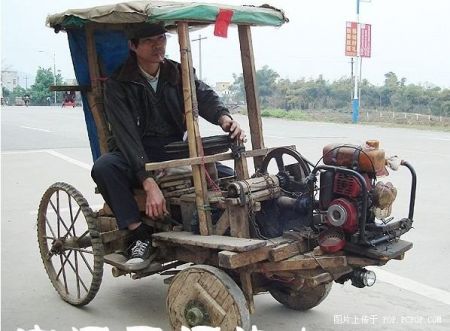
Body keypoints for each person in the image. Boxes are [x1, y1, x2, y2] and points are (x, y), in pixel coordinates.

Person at [91, 23, 245, 270]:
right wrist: (147, 180)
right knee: (104, 167)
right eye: (150, 40)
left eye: (161, 38)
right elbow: (126, 136)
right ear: (133, 46)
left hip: (174, 149)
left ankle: (222, 223)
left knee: (230, 181)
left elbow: (203, 96)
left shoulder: (177, 72)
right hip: (134, 151)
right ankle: (137, 234)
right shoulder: (118, 84)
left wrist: (224, 118)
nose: (158, 45)